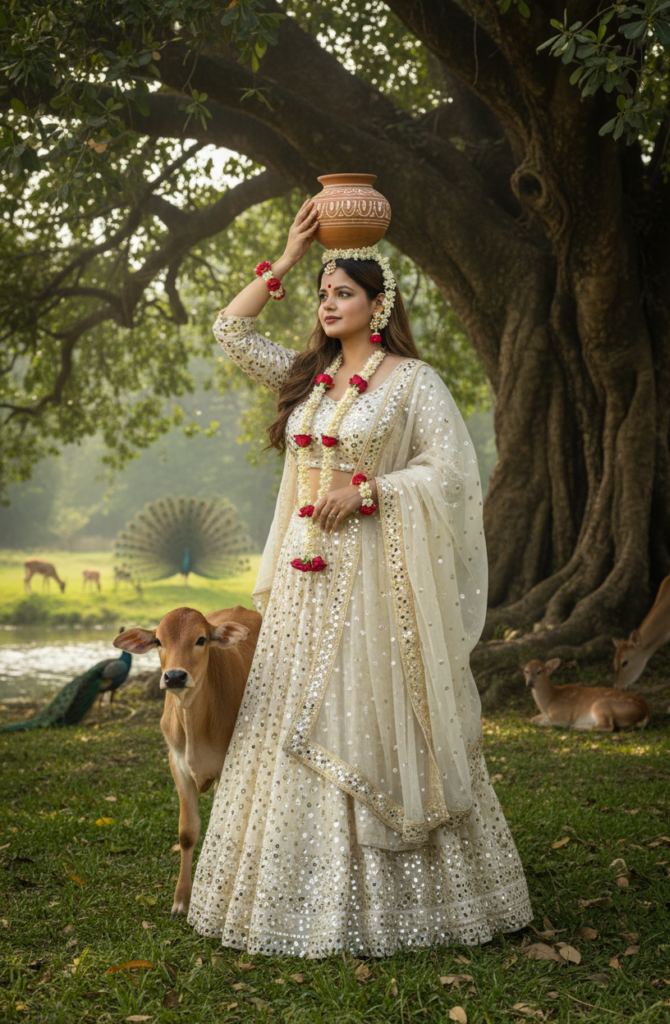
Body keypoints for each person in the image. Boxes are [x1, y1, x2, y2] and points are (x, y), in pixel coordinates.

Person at [187, 199, 532, 957]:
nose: (328, 303)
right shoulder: (309, 381)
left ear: (380, 307)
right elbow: (229, 331)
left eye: (343, 292)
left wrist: (370, 490)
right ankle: (294, 897)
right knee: (289, 720)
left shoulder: (413, 383)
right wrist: (284, 256)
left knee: (371, 712)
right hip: (304, 584)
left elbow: (449, 473)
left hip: (375, 582)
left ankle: (414, 903)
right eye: (322, 293)